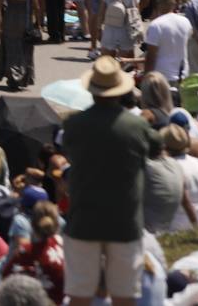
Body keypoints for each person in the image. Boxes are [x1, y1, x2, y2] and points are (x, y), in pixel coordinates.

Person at [62, 56, 158, 306]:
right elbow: (157, 148)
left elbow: (68, 149)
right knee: (124, 295)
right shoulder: (137, 126)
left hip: (84, 219)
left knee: (80, 295)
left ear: (92, 90)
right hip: (124, 221)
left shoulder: (73, 124)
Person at [0, 0, 39, 89]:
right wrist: (39, 23)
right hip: (24, 22)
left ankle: (11, 75)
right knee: (24, 50)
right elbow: (37, 7)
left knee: (10, 49)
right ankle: (23, 77)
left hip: (9, 20)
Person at [144, 0, 193, 84]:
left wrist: (146, 79)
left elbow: (150, 56)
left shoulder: (156, 25)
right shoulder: (186, 22)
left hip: (162, 77)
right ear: (174, 5)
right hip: (183, 75)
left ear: (158, 5)